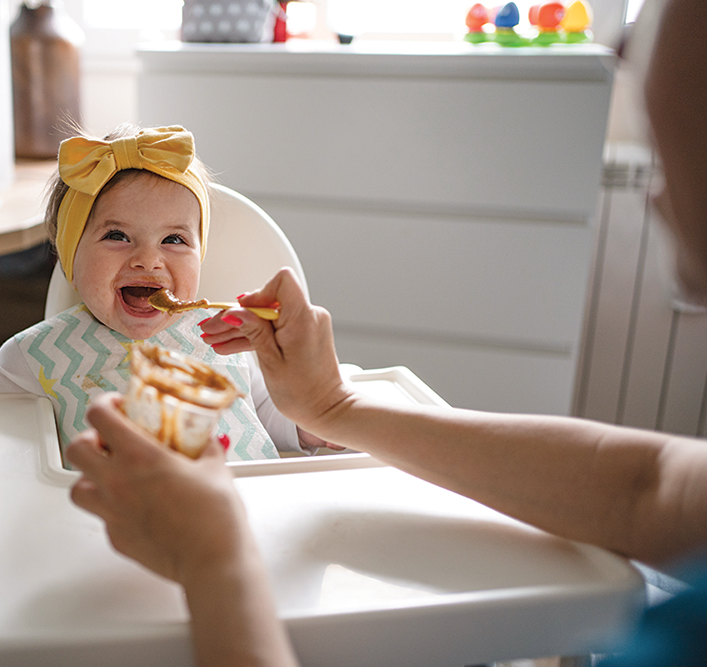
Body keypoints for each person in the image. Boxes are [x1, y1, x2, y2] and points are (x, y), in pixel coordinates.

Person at [66, 1, 707, 665]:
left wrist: (214, 558)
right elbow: (647, 485)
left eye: (664, 155)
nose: (655, 195)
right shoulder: (49, 350)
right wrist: (335, 405)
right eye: (116, 236)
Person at [0, 124, 338, 487]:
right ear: (70, 255)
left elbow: (266, 413)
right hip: (120, 535)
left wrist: (317, 428)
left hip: (254, 512)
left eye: (173, 239)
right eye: (116, 236)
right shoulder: (45, 351)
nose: (148, 260)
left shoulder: (224, 332)